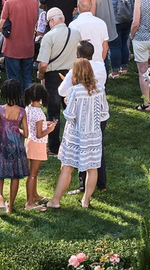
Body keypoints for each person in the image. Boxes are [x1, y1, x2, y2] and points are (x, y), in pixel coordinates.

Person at [46, 58, 107, 209]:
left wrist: (67, 103)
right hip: (93, 134)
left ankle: (55, 201)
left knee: (67, 167)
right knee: (92, 168)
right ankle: (86, 201)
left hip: (75, 134)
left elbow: (70, 115)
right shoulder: (100, 88)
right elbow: (105, 113)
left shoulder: (74, 90)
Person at [36, 8, 81, 155]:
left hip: (54, 77)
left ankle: (54, 147)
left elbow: (43, 64)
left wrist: (41, 75)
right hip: (73, 74)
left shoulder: (49, 37)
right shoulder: (76, 33)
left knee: (53, 112)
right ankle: (76, 144)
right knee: (74, 111)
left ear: (52, 21)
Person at [0, 79, 29, 216]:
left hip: (2, 145)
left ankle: (0, 198)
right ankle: (10, 205)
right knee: (15, 175)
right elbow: (27, 133)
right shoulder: (22, 111)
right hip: (16, 147)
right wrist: (16, 129)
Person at [0, 0, 40, 90]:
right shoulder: (34, 2)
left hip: (12, 47)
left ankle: (14, 104)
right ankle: (27, 104)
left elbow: (1, 25)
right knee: (27, 77)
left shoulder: (9, 3)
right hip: (28, 46)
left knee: (13, 80)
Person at [23, 83, 56, 210]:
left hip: (30, 142)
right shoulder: (39, 113)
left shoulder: (28, 108)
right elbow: (39, 133)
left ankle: (34, 195)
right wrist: (50, 128)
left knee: (33, 173)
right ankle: (29, 203)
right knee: (33, 174)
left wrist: (44, 124)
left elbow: (34, 126)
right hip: (37, 144)